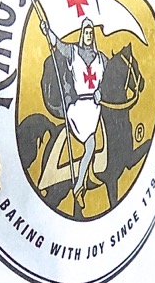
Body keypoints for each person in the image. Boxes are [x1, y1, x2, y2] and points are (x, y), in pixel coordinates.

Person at [41, 16, 107, 205]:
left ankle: (80, 185)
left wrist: (100, 92)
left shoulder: (102, 58)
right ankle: (75, 183)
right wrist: (47, 31)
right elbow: (57, 44)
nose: (88, 35)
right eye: (85, 32)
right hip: (77, 108)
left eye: (90, 33)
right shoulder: (73, 52)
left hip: (94, 108)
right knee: (88, 143)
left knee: (92, 146)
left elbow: (107, 82)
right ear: (82, 34)